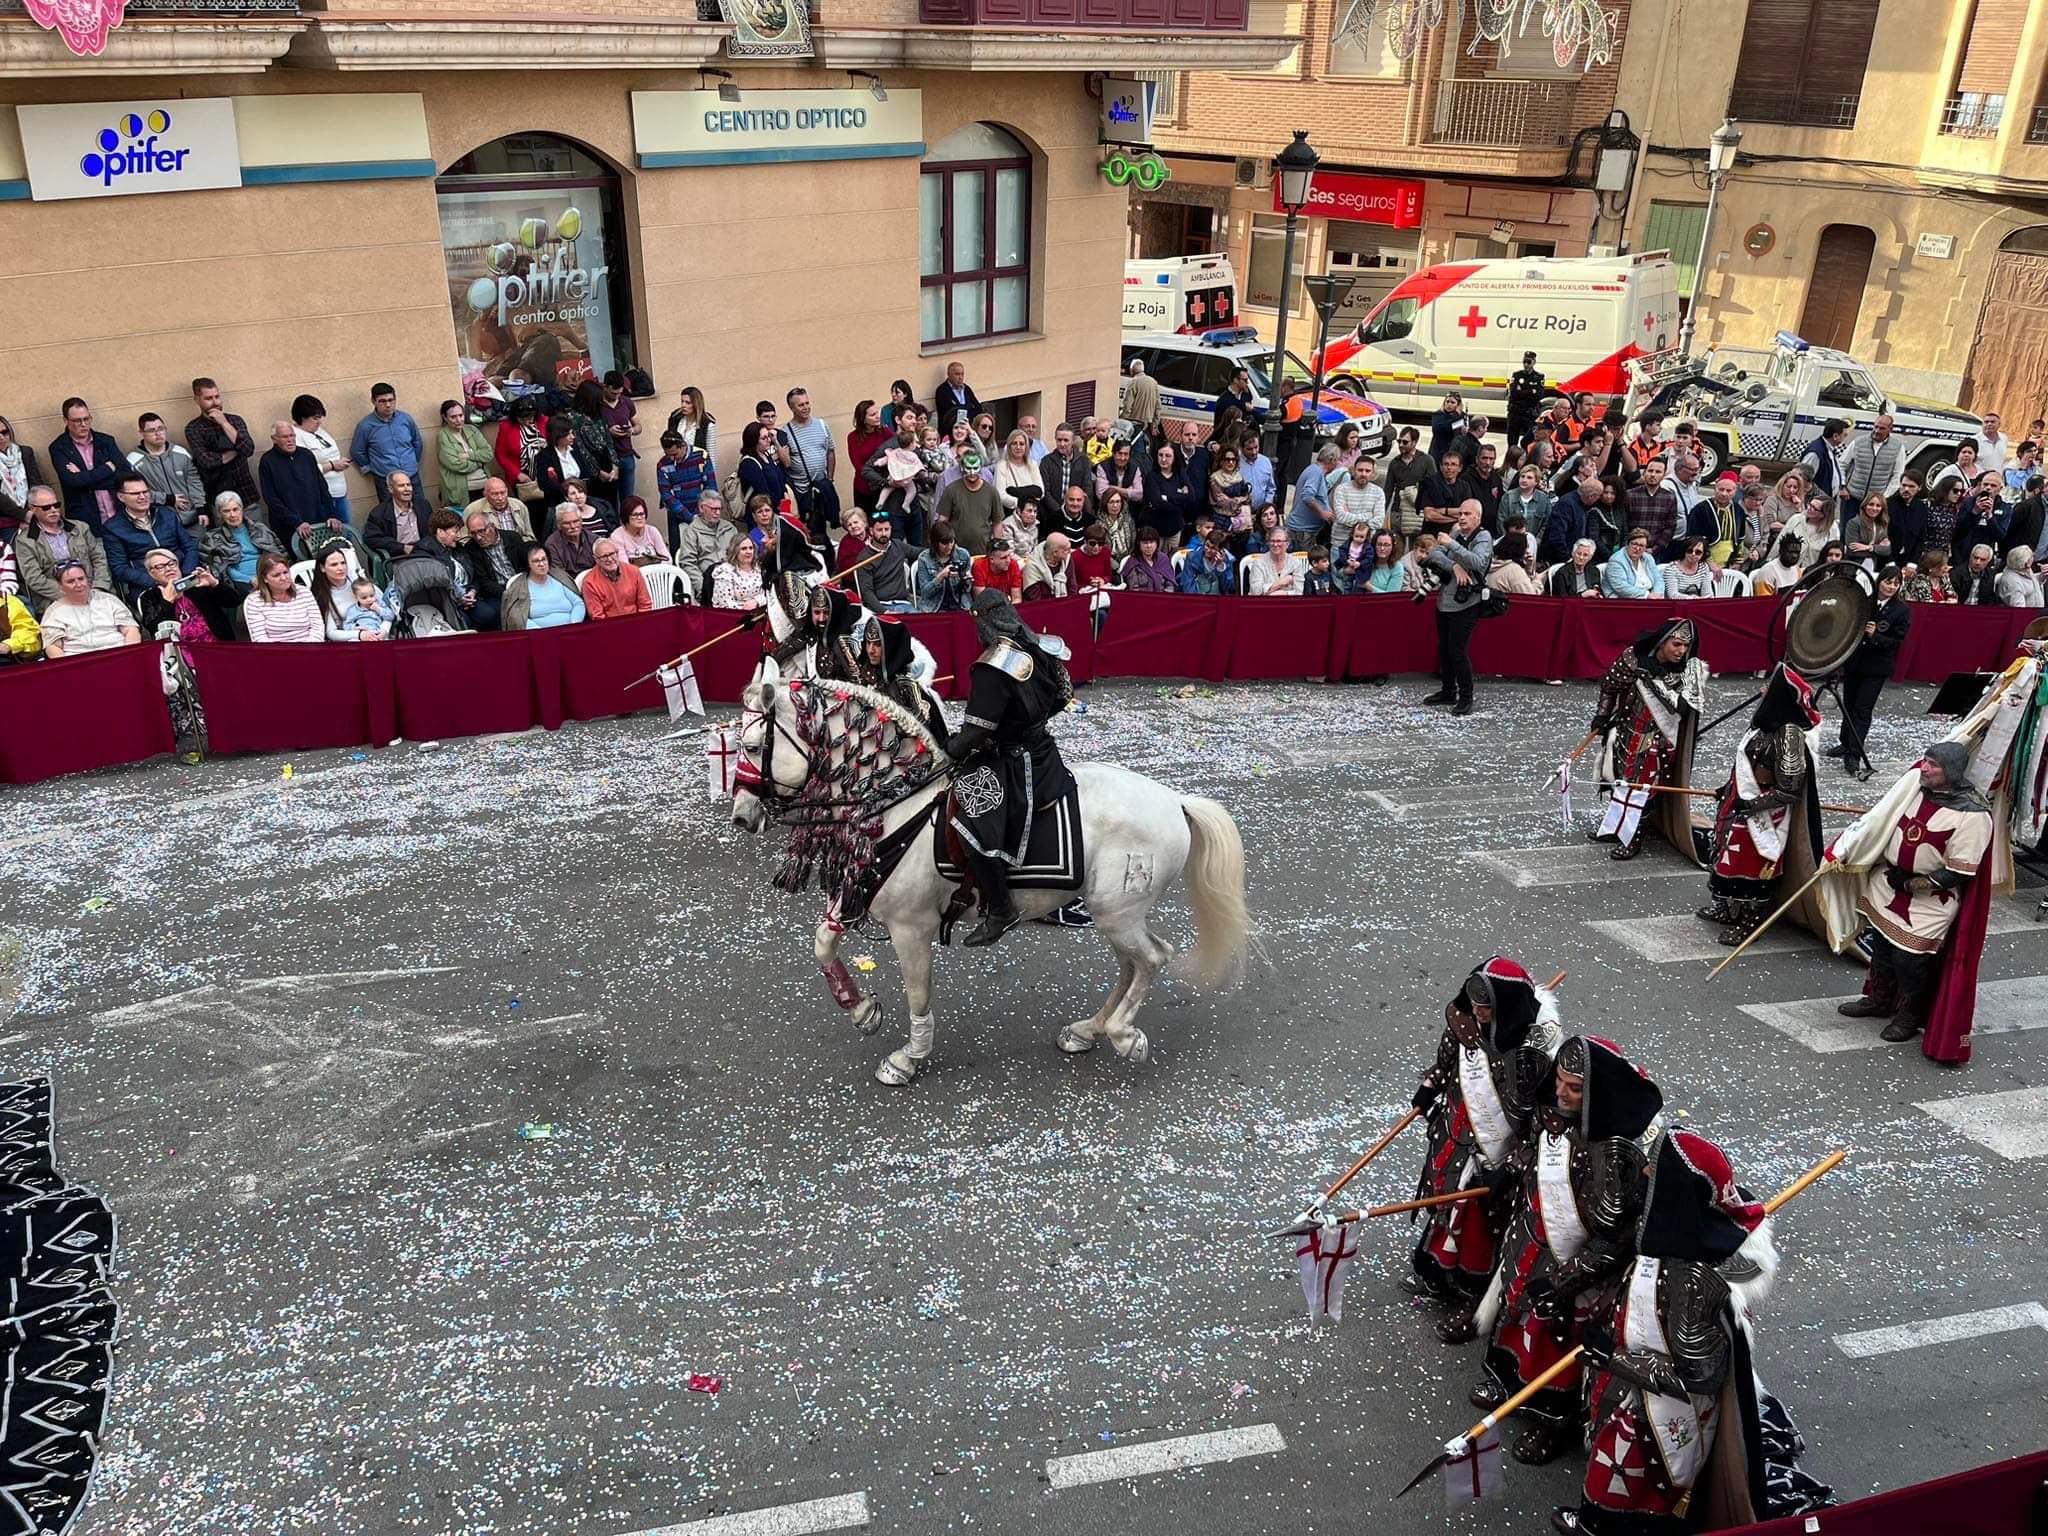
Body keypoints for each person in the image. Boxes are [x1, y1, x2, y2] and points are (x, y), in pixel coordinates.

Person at [1558, 1128, 1777, 1536]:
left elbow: (1698, 1376)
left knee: (1625, 1489)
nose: (1643, 1170)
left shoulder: (1693, 1282)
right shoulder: (1664, 1244)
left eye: (1653, 1169)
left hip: (1661, 1418)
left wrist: (1614, 1357)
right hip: (1630, 1389)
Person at [1473, 1034, 1662, 1466]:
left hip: (1577, 1272)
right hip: (1532, 1239)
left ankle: (1552, 1423)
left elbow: (1613, 1242)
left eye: (1573, 1088)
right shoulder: (1554, 1114)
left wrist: (1564, 1280)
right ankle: (1506, 1380)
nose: (1560, 1092)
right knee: (1514, 1315)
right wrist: (1510, 1170)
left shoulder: (1616, 1158)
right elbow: (1535, 1150)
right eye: (1560, 1081)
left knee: (1557, 1344)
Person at [1408, 958, 1561, 1333]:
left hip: (1495, 1157)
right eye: (1474, 1003)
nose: (1477, 1012)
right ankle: (1436, 1270)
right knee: (1444, 1205)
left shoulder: (1531, 1055)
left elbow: (1538, 1124)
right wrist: (1429, 1089)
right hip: (1455, 1133)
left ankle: (1469, 1287)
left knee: (1477, 1226)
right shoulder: (1463, 1023)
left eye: (1486, 1007)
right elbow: (1445, 1063)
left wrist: (1512, 1166)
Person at [1838, 742, 1995, 1048]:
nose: (1924, 768)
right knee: (1881, 945)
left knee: (1910, 959)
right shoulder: (1914, 790)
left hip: (1929, 899)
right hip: (1888, 884)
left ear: (1951, 771)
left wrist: (1910, 885)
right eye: (1924, 761)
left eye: (1933, 765)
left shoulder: (1973, 815)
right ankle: (1879, 999)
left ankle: (1910, 1014)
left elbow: (1961, 871)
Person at [945, 589, 1077, 946]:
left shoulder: (994, 664)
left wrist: (950, 749)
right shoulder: (1038, 644)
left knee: (971, 820)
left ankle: (1001, 909)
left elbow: (976, 732)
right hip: (1044, 749)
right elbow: (1064, 694)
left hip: (1015, 763)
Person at [1698, 664, 1825, 945]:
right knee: (1726, 855)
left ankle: (1750, 920)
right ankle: (1730, 907)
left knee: (1753, 866)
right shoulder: (1763, 724)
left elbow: (1790, 789)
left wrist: (1754, 804)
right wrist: (1729, 790)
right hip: (1741, 802)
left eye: (1769, 687)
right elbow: (1746, 764)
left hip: (1767, 813)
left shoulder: (1789, 736)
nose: (1762, 690)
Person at [1590, 617, 1707, 862]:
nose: (1681, 651)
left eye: (1685, 646)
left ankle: (1633, 837)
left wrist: (1651, 681)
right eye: (1676, 644)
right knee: (1618, 781)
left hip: (1659, 739)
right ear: (1663, 642)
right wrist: (1601, 716)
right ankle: (1615, 826)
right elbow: (1610, 687)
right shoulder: (1632, 658)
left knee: (1643, 789)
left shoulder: (1691, 669)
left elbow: (1682, 707)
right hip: (1625, 729)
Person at [1423, 500, 1491, 717]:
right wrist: (1454, 565)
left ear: (1478, 517)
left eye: (1467, 514)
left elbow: (1478, 563)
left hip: (1467, 603)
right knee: (1444, 650)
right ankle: (1447, 691)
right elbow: (1433, 554)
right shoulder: (1456, 533)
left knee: (1458, 651)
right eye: (1460, 513)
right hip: (1445, 601)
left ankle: (1466, 697)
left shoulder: (1483, 537)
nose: (1461, 517)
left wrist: (1452, 546)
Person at [15, 487, 111, 615]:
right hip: (55, 600)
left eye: (56, 505)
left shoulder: (81, 528)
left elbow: (99, 559)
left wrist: (98, 586)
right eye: (46, 507)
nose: (53, 510)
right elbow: (34, 578)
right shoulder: (24, 541)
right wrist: (73, 594)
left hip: (94, 591)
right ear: (32, 509)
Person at [103, 472, 199, 597]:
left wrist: (185, 575)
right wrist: (156, 582)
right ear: (121, 497)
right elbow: (120, 568)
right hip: (148, 583)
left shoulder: (166, 514)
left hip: (182, 574)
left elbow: (190, 547)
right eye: (135, 493)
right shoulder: (113, 528)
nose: (142, 497)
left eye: (145, 492)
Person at [181, 379, 261, 514]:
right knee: (226, 535)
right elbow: (207, 461)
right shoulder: (193, 428)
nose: (215, 402)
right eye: (208, 398)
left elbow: (248, 449)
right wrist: (236, 449)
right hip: (219, 498)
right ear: (197, 400)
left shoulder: (235, 420)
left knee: (259, 533)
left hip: (246, 495)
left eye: (217, 397)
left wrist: (224, 423)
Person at [47, 398, 125, 526]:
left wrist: (84, 477)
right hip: (86, 519)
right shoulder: (59, 448)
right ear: (66, 421)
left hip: (118, 513)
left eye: (87, 419)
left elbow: (124, 475)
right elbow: (73, 482)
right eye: (77, 420)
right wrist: (107, 469)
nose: (83, 424)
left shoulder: (106, 441)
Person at [40, 560, 141, 657]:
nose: (78, 585)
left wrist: (130, 655)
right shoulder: (53, 612)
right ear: (60, 586)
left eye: (81, 579)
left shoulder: (109, 600)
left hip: (119, 654)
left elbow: (131, 630)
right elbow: (53, 647)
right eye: (71, 581)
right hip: (80, 662)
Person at [259, 420, 337, 546]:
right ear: (274, 439)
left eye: (292, 435)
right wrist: (296, 522)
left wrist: (331, 514)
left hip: (316, 521)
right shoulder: (267, 461)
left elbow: (322, 487)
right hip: (288, 527)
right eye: (285, 437)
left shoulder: (306, 454)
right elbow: (271, 498)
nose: (290, 440)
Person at [128, 412, 208, 528]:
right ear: (141, 433)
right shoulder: (133, 461)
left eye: (161, 428)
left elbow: (194, 482)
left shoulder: (181, 453)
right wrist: (167, 499)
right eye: (151, 430)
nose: (158, 433)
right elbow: (135, 494)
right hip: (161, 523)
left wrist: (201, 509)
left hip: (193, 518)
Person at [199, 492, 284, 599]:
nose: (232, 515)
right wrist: (250, 579)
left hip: (269, 573)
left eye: (235, 509)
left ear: (242, 509)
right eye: (226, 511)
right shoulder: (213, 538)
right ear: (219, 514)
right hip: (240, 582)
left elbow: (278, 553)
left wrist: (269, 576)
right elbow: (223, 569)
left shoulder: (259, 528)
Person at [349, 383, 424, 503]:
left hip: (411, 476)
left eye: (391, 400)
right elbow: (357, 451)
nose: (388, 405)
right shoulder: (365, 426)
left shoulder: (406, 419)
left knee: (421, 509)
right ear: (373, 401)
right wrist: (371, 469)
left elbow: (417, 442)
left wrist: (413, 462)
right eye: (382, 401)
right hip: (385, 480)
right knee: (390, 515)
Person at [455, 510, 522, 631]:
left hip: (521, 585)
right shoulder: (471, 547)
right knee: (496, 614)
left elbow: (523, 566)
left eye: (482, 531)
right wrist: (508, 594)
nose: (478, 537)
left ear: (492, 526)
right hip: (497, 592)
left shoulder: (512, 537)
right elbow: (483, 581)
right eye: (473, 533)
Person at [242, 551, 324, 642]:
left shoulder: (304, 592)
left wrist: (308, 647)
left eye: (285, 572)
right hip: (276, 652)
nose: (284, 578)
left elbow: (317, 626)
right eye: (276, 575)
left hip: (309, 648)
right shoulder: (254, 601)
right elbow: (260, 638)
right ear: (264, 578)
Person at [503, 544, 586, 629]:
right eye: (536, 561)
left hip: (571, 630)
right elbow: (518, 618)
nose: (542, 564)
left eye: (544, 559)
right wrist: (542, 633)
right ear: (527, 564)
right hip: (540, 636)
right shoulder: (520, 586)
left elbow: (578, 603)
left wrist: (574, 624)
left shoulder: (560, 578)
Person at [675, 489, 739, 599]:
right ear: (701, 508)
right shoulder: (692, 532)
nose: (718, 513)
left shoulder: (729, 528)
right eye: (713, 509)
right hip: (709, 582)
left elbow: (741, 555)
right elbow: (687, 563)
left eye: (719, 509)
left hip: (735, 580)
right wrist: (703, 588)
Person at [935, 451, 1001, 556]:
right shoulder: (951, 490)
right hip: (955, 552)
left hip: (983, 552)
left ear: (981, 468)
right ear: (962, 467)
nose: (971, 472)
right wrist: (945, 546)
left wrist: (998, 550)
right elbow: (942, 522)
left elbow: (997, 523)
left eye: (975, 468)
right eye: (968, 468)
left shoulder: (991, 492)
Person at [1139, 441, 1199, 551]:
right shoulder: (1152, 477)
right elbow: (1158, 503)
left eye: (1168, 456)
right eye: (1160, 455)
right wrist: (1180, 497)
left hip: (1175, 528)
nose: (1163, 459)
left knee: (1170, 560)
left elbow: (1191, 497)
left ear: (1174, 457)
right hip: (1155, 529)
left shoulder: (1180, 474)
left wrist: (1167, 497)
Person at [437, 399, 494, 512]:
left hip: (484, 487)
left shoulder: (472, 429)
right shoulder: (443, 436)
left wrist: (469, 455)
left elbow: (488, 454)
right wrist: (479, 462)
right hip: (464, 492)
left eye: (461, 415)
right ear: (445, 418)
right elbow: (456, 464)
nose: (458, 420)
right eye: (453, 417)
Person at [1038, 424, 1096, 534]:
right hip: (1052, 515)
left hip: (1077, 514)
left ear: (1073, 440)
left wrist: (1079, 508)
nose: (1062, 444)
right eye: (1059, 440)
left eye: (1066, 440)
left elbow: (1087, 488)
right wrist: (1060, 512)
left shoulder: (1083, 461)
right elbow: (1045, 491)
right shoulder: (1046, 462)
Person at [1286, 444, 1343, 550]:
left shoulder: (1315, 471)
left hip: (1305, 532)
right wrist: (1322, 512)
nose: (1337, 464)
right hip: (1302, 533)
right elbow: (1307, 496)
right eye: (1337, 460)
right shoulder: (1315, 472)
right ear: (1332, 460)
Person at [583, 538, 653, 620]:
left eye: (612, 554)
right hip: (609, 627)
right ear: (596, 559)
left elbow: (645, 605)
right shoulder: (589, 582)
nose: (609, 559)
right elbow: (597, 617)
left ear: (617, 553)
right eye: (604, 556)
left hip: (637, 622)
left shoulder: (634, 571)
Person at [365, 470, 428, 561]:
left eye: (409, 485)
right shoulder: (379, 513)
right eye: (401, 486)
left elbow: (433, 530)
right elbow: (372, 539)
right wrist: (402, 548)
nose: (407, 489)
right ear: (391, 489)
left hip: (424, 553)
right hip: (399, 557)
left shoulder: (423, 505)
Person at [915, 520, 974, 612]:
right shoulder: (924, 558)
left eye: (951, 542)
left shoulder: (963, 554)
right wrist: (940, 577)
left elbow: (967, 590)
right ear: (935, 543)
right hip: (934, 607)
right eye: (944, 543)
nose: (949, 546)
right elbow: (925, 593)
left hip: (960, 604)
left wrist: (966, 580)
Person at [609, 498, 671, 567]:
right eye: (635, 515)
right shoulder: (617, 536)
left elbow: (667, 559)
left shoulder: (652, 531)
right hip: (633, 575)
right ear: (626, 516)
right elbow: (625, 566)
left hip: (657, 574)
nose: (639, 518)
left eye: (642, 514)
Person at [334, 576, 395, 641]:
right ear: (356, 597)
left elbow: (391, 616)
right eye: (364, 597)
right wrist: (355, 627)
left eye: (371, 595)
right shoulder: (353, 610)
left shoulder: (379, 604)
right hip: (362, 635)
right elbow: (346, 625)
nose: (369, 599)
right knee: (352, 641)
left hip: (378, 633)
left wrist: (378, 609)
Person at [1119, 526, 1176, 593]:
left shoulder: (1163, 559)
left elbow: (1170, 584)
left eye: (1152, 542)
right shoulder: (1133, 563)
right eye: (1145, 543)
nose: (1149, 546)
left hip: (1163, 599)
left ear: (1157, 543)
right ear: (1139, 544)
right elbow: (1134, 589)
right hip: (1142, 600)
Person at [1505, 352, 1545, 445]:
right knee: (1512, 443)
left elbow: (1539, 395)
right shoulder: (1517, 375)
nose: (1526, 365)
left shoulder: (1538, 377)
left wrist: (1522, 391)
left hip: (1529, 414)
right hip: (1515, 413)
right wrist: (1531, 391)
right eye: (1524, 362)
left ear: (1534, 362)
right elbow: (1514, 394)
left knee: (1528, 442)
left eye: (1529, 362)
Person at [1244, 529, 1299, 596]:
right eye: (1272, 541)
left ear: (1287, 544)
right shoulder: (1258, 563)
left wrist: (1285, 593)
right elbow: (1256, 592)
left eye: (1279, 541)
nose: (1275, 544)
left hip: (1289, 603)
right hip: (1262, 603)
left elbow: (1301, 590)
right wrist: (1280, 583)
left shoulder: (1295, 563)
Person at [1022, 531, 1075, 601]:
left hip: (1065, 603)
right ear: (1055, 553)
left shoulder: (1067, 559)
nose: (1070, 552)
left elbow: (1072, 587)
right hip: (1042, 607)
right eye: (1066, 550)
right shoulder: (1032, 567)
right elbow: (1034, 598)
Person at [934, 360, 981, 433]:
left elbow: (978, 408)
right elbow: (950, 414)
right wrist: (968, 408)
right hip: (950, 431)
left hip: (968, 429)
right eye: (957, 374)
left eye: (962, 374)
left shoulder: (966, 389)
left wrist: (961, 409)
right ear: (949, 375)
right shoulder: (942, 391)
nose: (960, 377)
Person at [1122, 356, 1161, 434]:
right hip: (1148, 423)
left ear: (1132, 370)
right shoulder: (1153, 382)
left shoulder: (1133, 382)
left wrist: (1123, 419)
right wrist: (1155, 423)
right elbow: (1158, 405)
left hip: (1135, 422)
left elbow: (1127, 404)